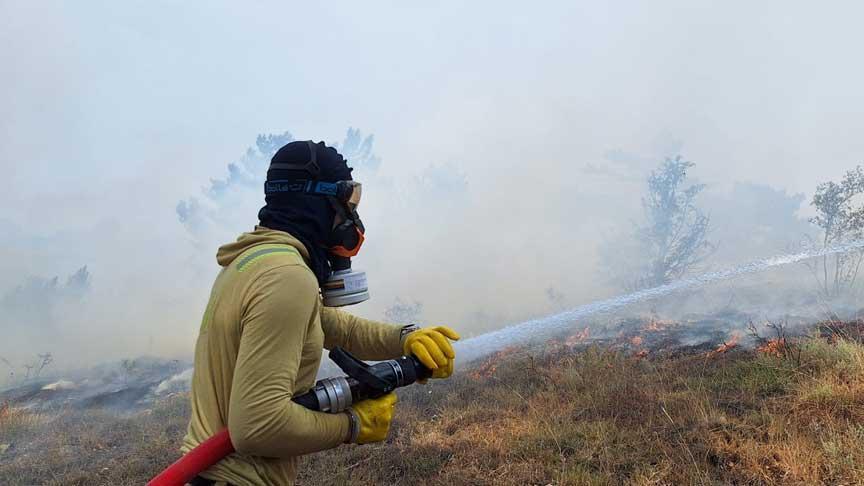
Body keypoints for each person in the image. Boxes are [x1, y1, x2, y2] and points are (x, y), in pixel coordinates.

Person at [181, 140, 460, 486]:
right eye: (347, 203)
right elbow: (257, 427)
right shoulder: (286, 277)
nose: (351, 218)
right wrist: (352, 425)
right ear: (317, 202)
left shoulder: (249, 263)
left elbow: (330, 325)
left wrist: (405, 338)